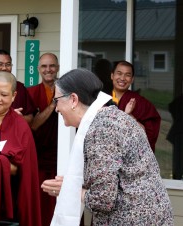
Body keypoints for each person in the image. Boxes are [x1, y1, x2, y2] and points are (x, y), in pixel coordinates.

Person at [41, 68, 173, 226]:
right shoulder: (111, 116)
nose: (56, 108)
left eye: (57, 101)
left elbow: (103, 200)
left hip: (134, 218)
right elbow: (117, 174)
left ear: (74, 100)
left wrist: (70, 190)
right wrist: (74, 183)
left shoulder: (102, 128)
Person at [0, 71, 41, 226]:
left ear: (13, 96)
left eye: (4, 94)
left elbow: (21, 169)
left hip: (6, 200)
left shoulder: (21, 126)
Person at [27, 53, 59, 226]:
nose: (48, 69)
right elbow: (32, 126)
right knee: (41, 205)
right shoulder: (30, 93)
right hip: (39, 158)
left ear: (58, 68)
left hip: (62, 157)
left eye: (52, 66)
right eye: (44, 66)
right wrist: (54, 104)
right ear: (38, 69)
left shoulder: (69, 92)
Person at [111, 60, 161, 152]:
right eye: (119, 73)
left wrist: (131, 117)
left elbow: (150, 134)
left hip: (132, 155)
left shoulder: (141, 103)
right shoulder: (103, 101)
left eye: (127, 75)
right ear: (112, 76)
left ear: (132, 79)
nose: (122, 78)